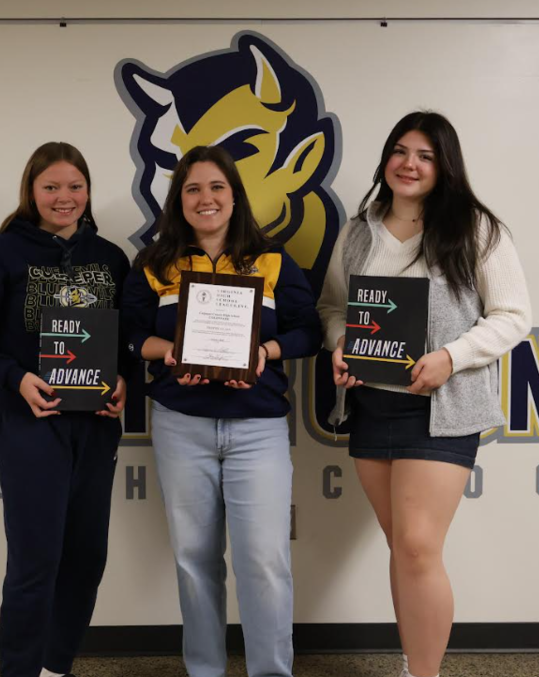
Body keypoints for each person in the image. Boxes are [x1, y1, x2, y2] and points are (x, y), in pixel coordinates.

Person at [317, 111, 531, 677]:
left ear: (444, 167)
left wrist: (450, 358)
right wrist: (340, 343)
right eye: (400, 151)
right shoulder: (359, 231)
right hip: (370, 405)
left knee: (416, 547)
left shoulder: (476, 229)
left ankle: (425, 674)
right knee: (406, 551)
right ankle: (415, 664)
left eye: (426, 155)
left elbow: (513, 317)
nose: (409, 164)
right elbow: (332, 306)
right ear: (386, 159)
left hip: (442, 408)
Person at [122, 145, 321, 677]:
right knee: (194, 562)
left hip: (257, 428)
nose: (205, 198)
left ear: (234, 195)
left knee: (264, 562)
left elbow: (310, 331)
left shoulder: (273, 260)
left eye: (216, 187)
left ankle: (271, 673)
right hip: (180, 426)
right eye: (192, 189)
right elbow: (129, 334)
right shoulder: (154, 263)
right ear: (177, 200)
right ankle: (205, 671)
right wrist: (166, 353)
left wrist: (266, 352)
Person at [0, 141, 129, 677]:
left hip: (94, 428)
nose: (64, 197)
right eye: (51, 187)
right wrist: (17, 378)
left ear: (89, 191)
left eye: (75, 186)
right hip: (30, 423)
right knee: (36, 560)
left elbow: (129, 340)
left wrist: (123, 379)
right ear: (31, 191)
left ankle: (55, 668)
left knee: (86, 559)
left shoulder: (111, 259)